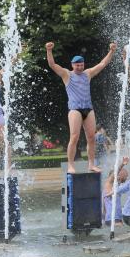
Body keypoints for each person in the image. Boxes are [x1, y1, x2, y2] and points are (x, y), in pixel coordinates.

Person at [46, 41, 117, 174]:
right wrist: (49, 51)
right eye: (77, 65)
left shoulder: (87, 74)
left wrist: (111, 51)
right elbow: (52, 65)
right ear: (72, 65)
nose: (79, 67)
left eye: (81, 65)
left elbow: (102, 64)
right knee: (74, 137)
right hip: (75, 110)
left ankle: (91, 164)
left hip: (88, 109)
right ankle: (71, 165)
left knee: (91, 137)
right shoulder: (67, 74)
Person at [102, 157, 130, 226]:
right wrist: (122, 164)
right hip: (113, 218)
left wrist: (103, 219)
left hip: (116, 218)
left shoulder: (116, 187)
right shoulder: (109, 184)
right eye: (125, 175)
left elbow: (104, 208)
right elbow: (115, 172)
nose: (126, 178)